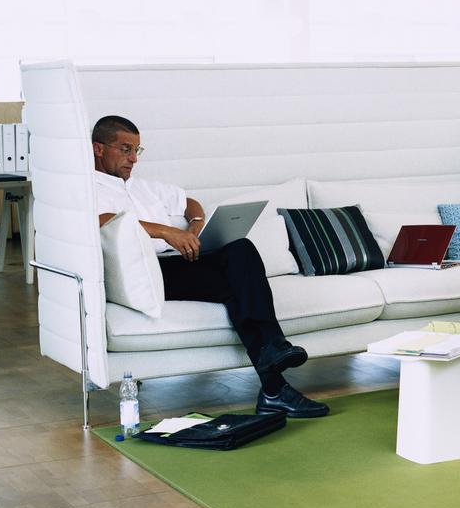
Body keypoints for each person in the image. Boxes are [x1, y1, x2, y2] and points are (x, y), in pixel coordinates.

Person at [92, 115, 329, 418]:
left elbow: (189, 202)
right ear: (99, 148)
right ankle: (274, 375)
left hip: (179, 263)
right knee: (237, 285)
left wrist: (194, 226)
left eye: (137, 150)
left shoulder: (144, 188)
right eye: (125, 150)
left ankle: (274, 365)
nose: (133, 159)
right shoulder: (88, 188)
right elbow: (103, 220)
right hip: (152, 272)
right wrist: (167, 232)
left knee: (241, 252)